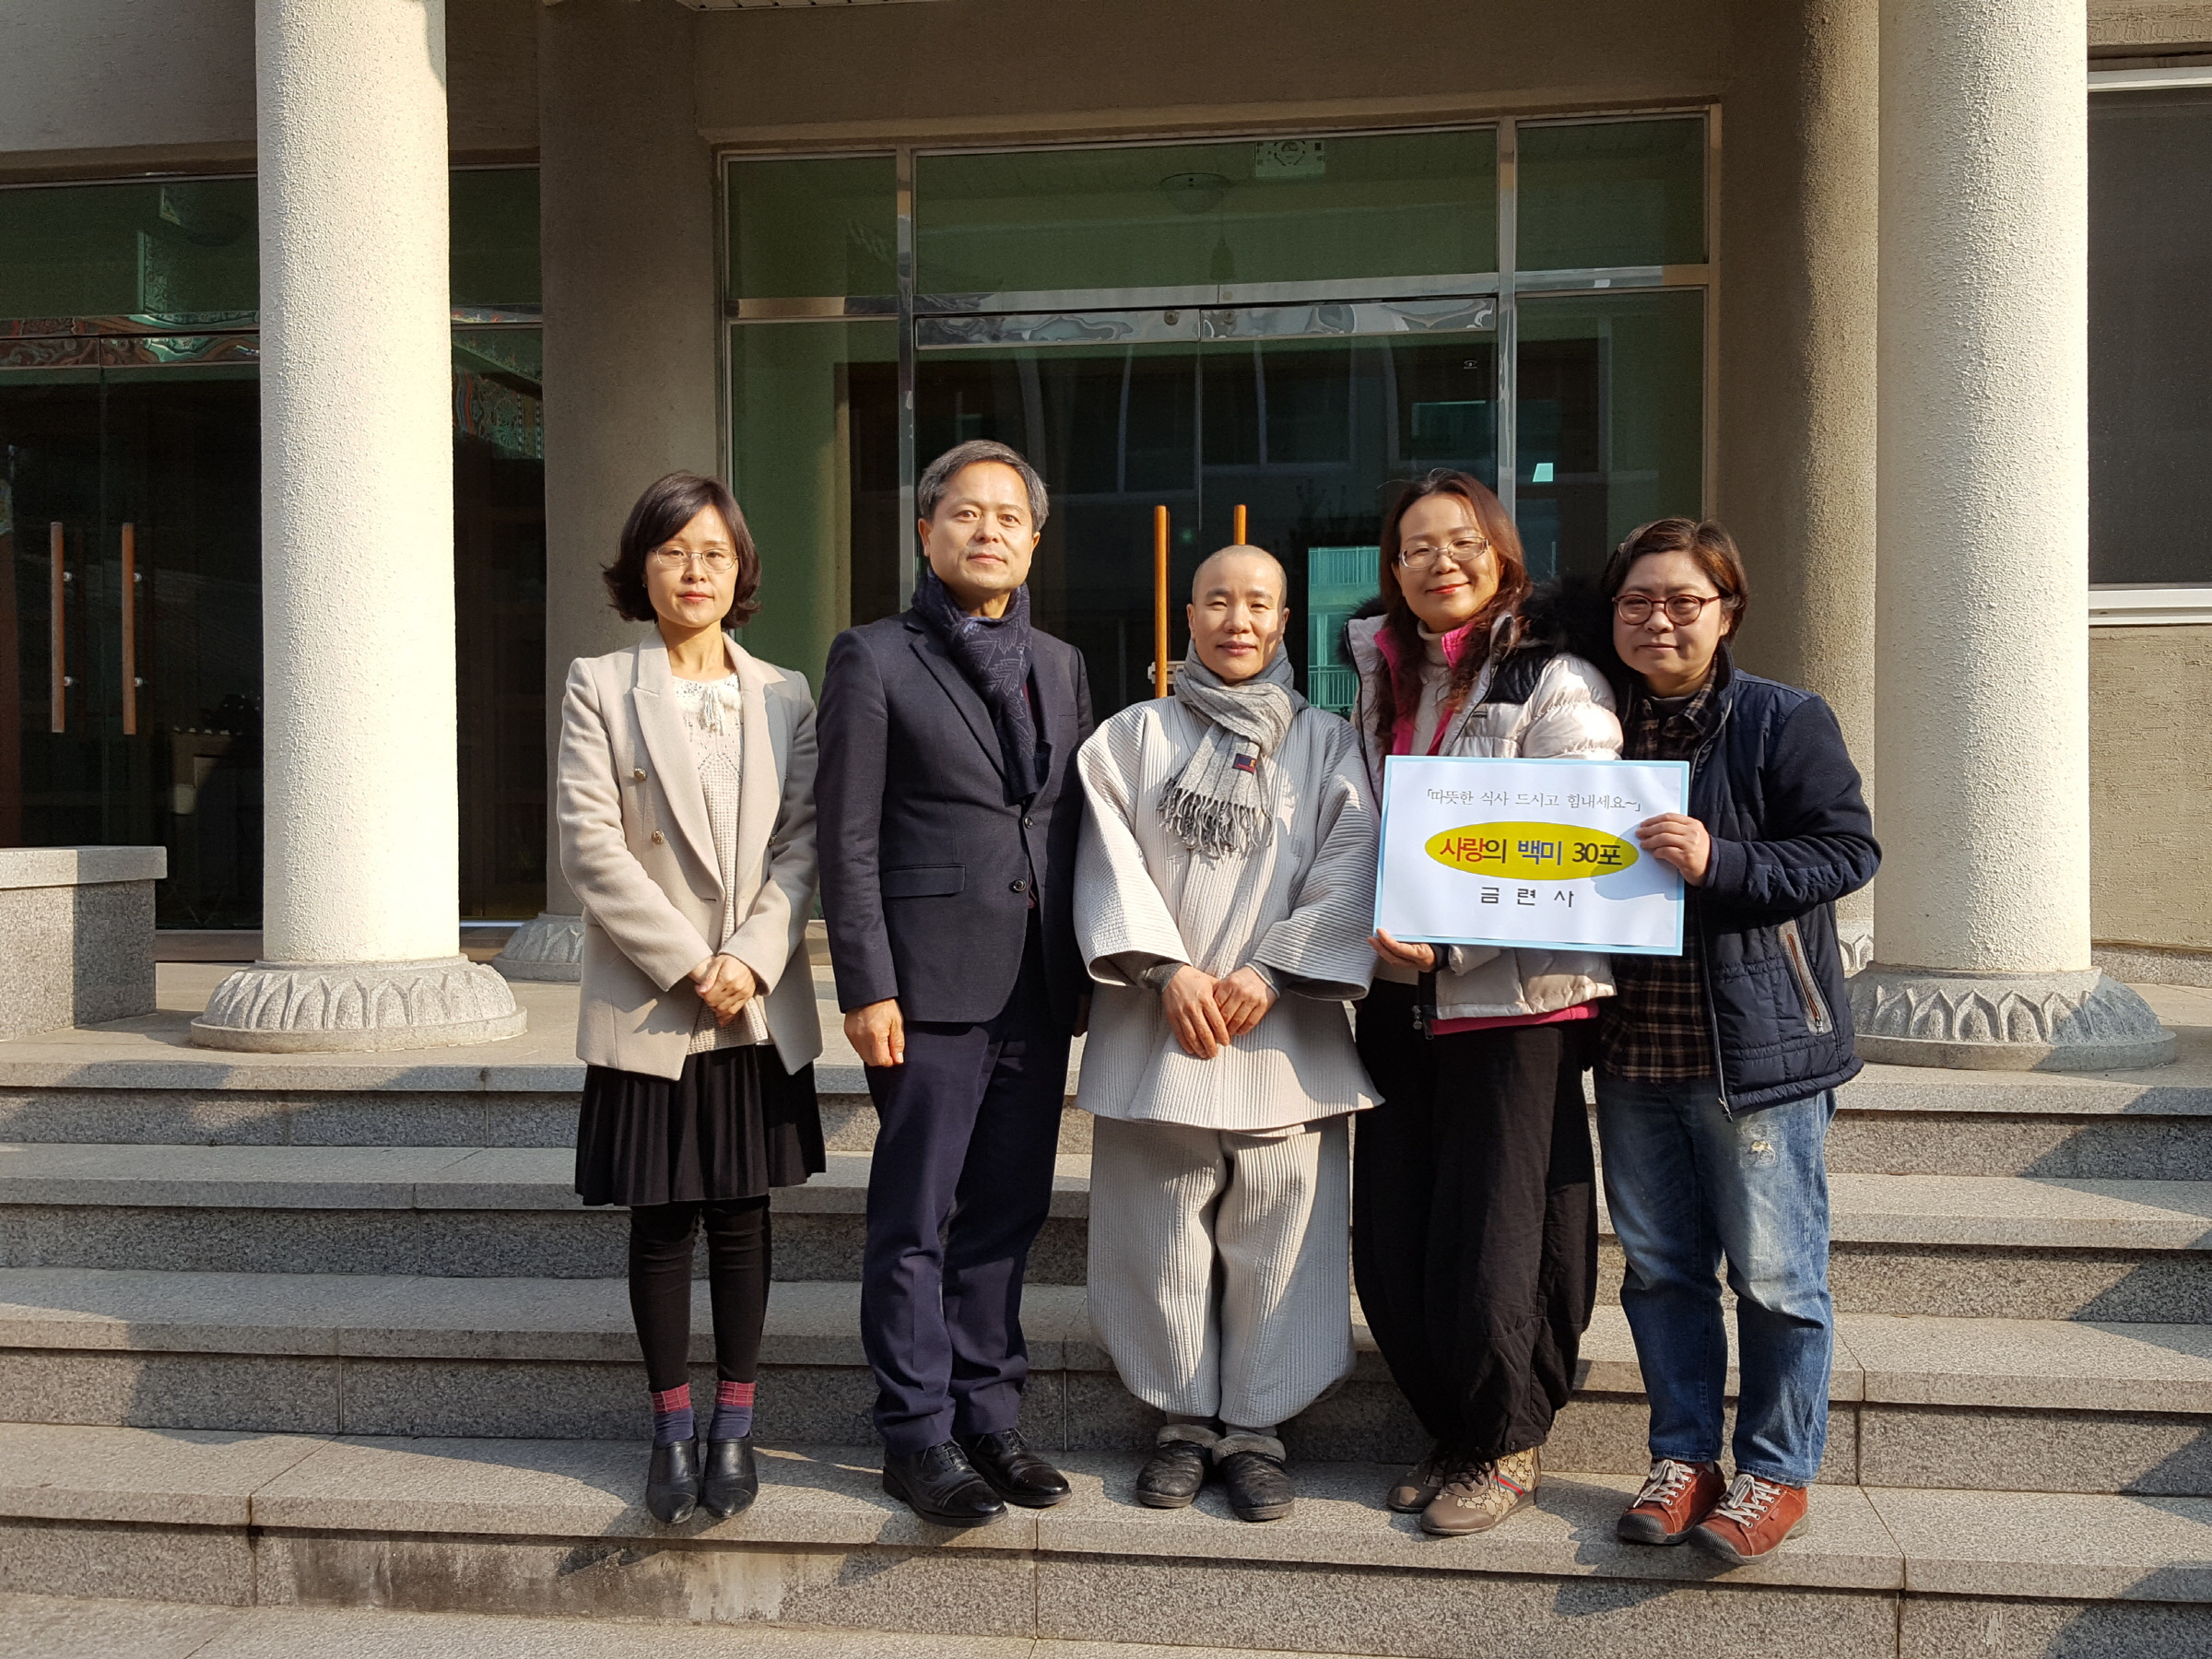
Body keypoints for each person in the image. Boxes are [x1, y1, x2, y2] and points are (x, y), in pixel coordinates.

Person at [817, 439, 1093, 1527]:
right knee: (917, 1216)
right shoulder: (873, 657)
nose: (989, 531)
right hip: (925, 987)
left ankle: (988, 1415)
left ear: (1035, 540)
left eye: (1009, 517)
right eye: (966, 513)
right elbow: (847, 837)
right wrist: (865, 984)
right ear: (927, 531)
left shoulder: (1059, 664)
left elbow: (1064, 824)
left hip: (1036, 979)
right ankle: (916, 1433)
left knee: (1007, 1213)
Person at [1072, 546, 1378, 1524]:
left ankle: (1256, 1430)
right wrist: (1166, 972)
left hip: (1283, 1033)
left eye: (1258, 604)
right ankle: (1180, 1423)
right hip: (1159, 1027)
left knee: (1282, 1236)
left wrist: (1270, 970)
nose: (1237, 621)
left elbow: (1352, 862)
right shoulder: (1129, 737)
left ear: (1284, 620)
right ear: (1189, 616)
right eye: (1217, 601)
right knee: (1157, 1232)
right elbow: (1107, 860)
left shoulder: (1329, 742)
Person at [1344, 468, 1622, 1537]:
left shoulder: (1557, 679)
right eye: (1417, 546)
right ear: (1394, 569)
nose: (1440, 562)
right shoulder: (1384, 681)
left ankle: (1507, 1439)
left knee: (1504, 1238)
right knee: (1401, 1235)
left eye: (1461, 542)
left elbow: (1582, 845)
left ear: (1502, 554)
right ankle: (1453, 1427)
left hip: (1516, 1000)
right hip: (1398, 999)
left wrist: (1457, 941)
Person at [1594, 517, 1877, 1565]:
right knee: (1660, 1272)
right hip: (1633, 1050)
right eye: (1637, 601)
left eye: (1684, 601)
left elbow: (1846, 852)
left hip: (1756, 1053)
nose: (1658, 619)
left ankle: (1774, 1470)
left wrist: (1724, 859)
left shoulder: (1782, 719)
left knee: (1778, 1277)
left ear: (1728, 611)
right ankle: (1683, 1458)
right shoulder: (1591, 725)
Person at [559, 471, 826, 1526]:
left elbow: (803, 842)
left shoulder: (786, 693)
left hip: (753, 1000)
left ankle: (736, 1425)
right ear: (643, 568)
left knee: (744, 1217)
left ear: (740, 567)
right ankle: (671, 1428)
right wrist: (688, 962)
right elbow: (590, 845)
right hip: (655, 997)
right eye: (673, 551)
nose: (694, 571)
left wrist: (749, 958)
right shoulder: (599, 683)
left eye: (713, 552)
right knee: (663, 1220)